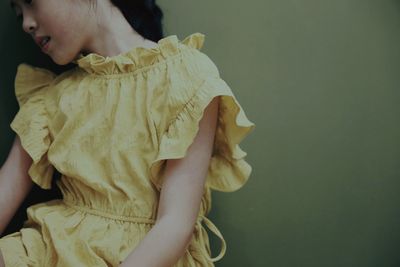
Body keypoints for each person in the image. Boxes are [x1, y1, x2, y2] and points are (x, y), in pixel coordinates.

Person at [0, 0, 256, 266]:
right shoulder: (53, 97)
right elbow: (7, 185)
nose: (26, 23)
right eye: (18, 14)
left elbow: (175, 225)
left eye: (30, 3)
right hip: (52, 247)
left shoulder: (185, 77)